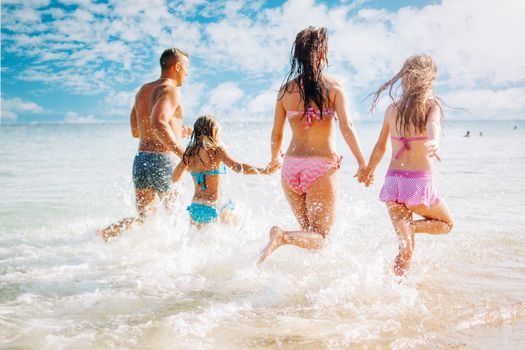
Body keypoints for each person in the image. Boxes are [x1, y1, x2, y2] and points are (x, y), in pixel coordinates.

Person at [257, 26, 367, 265]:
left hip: (290, 168)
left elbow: (276, 134)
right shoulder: (334, 87)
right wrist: (362, 162)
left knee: (307, 234)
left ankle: (307, 281)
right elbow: (347, 127)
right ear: (323, 53)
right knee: (321, 237)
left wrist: (275, 159)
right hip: (320, 168)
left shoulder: (285, 92)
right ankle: (282, 236)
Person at [361, 55, 453, 276]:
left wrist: (369, 170)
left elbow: (380, 147)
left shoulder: (392, 110)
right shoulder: (431, 106)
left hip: (393, 183)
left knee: (406, 248)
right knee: (446, 224)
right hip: (418, 184)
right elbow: (433, 125)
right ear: (429, 79)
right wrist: (434, 141)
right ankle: (411, 227)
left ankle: (395, 289)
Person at [99, 48, 191, 240]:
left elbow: (137, 130)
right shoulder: (171, 89)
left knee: (144, 220)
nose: (187, 73)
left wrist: (179, 130)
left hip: (141, 160)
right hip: (163, 161)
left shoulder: (143, 91)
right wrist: (183, 154)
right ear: (177, 66)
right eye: (186, 68)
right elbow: (158, 122)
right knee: (175, 216)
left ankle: (105, 235)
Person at [171, 115, 279, 228]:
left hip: (196, 207)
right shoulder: (217, 150)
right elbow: (238, 167)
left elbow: (175, 177)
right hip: (214, 206)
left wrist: (192, 169)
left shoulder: (189, 153)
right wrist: (264, 171)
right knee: (238, 227)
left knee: (195, 242)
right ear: (214, 131)